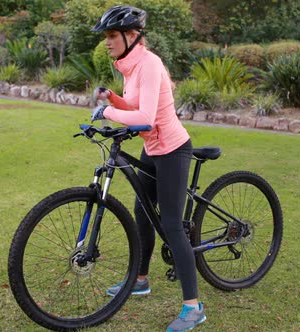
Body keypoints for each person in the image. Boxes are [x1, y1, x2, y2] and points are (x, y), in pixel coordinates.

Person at [89, 5, 206, 332]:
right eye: (107, 36)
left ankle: (193, 307)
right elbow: (135, 108)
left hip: (172, 150)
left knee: (170, 224)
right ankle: (140, 280)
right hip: (153, 149)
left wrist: (107, 113)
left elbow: (147, 118)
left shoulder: (150, 65)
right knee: (142, 212)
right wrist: (113, 99)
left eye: (112, 36)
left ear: (131, 35)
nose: (107, 42)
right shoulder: (132, 68)